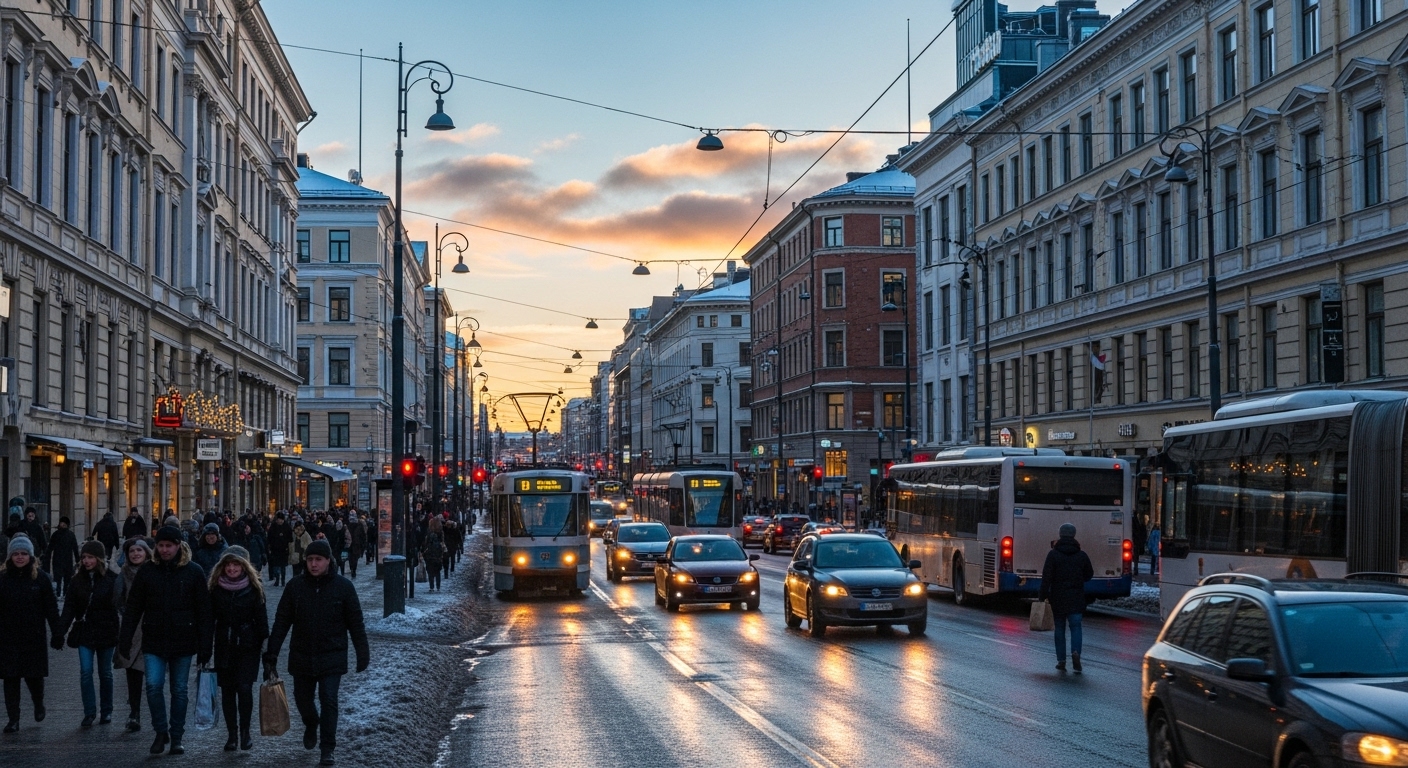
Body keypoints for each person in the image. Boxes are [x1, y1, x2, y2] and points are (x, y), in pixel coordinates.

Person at [264, 540, 369, 767]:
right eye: (310, 559)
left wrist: (362, 652)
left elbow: (356, 623)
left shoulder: (343, 587)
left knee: (329, 699)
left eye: (318, 560)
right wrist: (272, 653)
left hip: (332, 653)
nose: (313, 564)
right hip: (302, 653)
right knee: (303, 699)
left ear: (328, 561)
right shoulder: (295, 587)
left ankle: (327, 748)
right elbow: (282, 622)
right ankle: (311, 722)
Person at [118, 525, 213, 755]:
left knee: (179, 690)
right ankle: (161, 732)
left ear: (178, 545)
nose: (164, 550)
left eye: (168, 545)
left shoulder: (193, 571)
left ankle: (177, 735)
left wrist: (205, 646)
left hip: (183, 640)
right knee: (153, 686)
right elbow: (134, 607)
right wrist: (125, 639)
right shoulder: (148, 571)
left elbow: (204, 612)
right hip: (154, 638)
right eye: (160, 545)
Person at [55, 540, 121, 726]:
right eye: (84, 557)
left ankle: (106, 711)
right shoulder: (77, 581)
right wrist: (60, 632)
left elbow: (120, 606)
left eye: (90, 557)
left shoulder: (112, 579)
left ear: (99, 558)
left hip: (106, 631)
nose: (86, 561)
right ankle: (89, 712)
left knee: (105, 673)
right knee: (85, 672)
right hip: (85, 632)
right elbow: (69, 609)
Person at [208, 546, 267, 752]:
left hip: (248, 646)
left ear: (244, 566)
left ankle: (245, 732)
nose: (232, 568)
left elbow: (262, 622)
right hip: (224, 645)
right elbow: (209, 620)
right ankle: (232, 734)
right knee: (228, 691)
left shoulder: (255, 588)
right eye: (228, 565)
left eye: (236, 564)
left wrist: (267, 651)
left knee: (244, 688)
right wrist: (205, 649)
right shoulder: (215, 589)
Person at [0, 535, 61, 734]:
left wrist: (57, 633)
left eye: (24, 554)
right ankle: (13, 719)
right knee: (10, 679)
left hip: (33, 637)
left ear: (30, 556)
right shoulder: (3, 579)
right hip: (8, 638)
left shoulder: (41, 578)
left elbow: (51, 608)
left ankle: (38, 702)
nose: (20, 557)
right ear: (10, 556)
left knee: (33, 677)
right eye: (16, 554)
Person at [1039, 523, 1095, 673]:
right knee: (1076, 626)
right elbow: (1089, 575)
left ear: (1060, 535)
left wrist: (1042, 596)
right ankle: (1076, 652)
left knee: (1059, 628)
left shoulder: (1053, 555)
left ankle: (1061, 660)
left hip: (1058, 598)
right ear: (1074, 535)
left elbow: (1046, 578)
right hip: (1076, 597)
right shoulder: (1081, 555)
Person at [113, 537, 151, 732]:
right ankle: (134, 712)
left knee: (153, 677)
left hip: (153, 627)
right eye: (132, 551)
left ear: (146, 553)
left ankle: (158, 717)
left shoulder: (154, 571)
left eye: (139, 550)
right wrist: (127, 615)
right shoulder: (123, 574)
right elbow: (117, 599)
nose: (136, 554)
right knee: (133, 671)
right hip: (133, 629)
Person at [422, 516, 445, 592]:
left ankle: (431, 587)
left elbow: (425, 544)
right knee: (437, 572)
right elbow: (442, 543)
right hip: (437, 555)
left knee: (430, 572)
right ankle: (438, 587)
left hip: (430, 555)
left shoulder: (428, 533)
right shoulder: (440, 533)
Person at [267, 514, 291, 586]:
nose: (279, 521)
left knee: (283, 566)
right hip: (275, 550)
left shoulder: (287, 527)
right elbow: (269, 537)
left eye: (280, 519)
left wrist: (288, 547)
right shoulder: (273, 527)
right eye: (278, 519)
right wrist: (269, 546)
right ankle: (277, 580)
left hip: (284, 550)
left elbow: (290, 538)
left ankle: (283, 580)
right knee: (276, 566)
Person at [345, 513, 365, 579]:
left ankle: (352, 569)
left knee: (351, 558)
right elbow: (363, 536)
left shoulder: (347, 525)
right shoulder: (359, 525)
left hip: (352, 544)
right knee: (354, 558)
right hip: (356, 544)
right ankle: (353, 569)